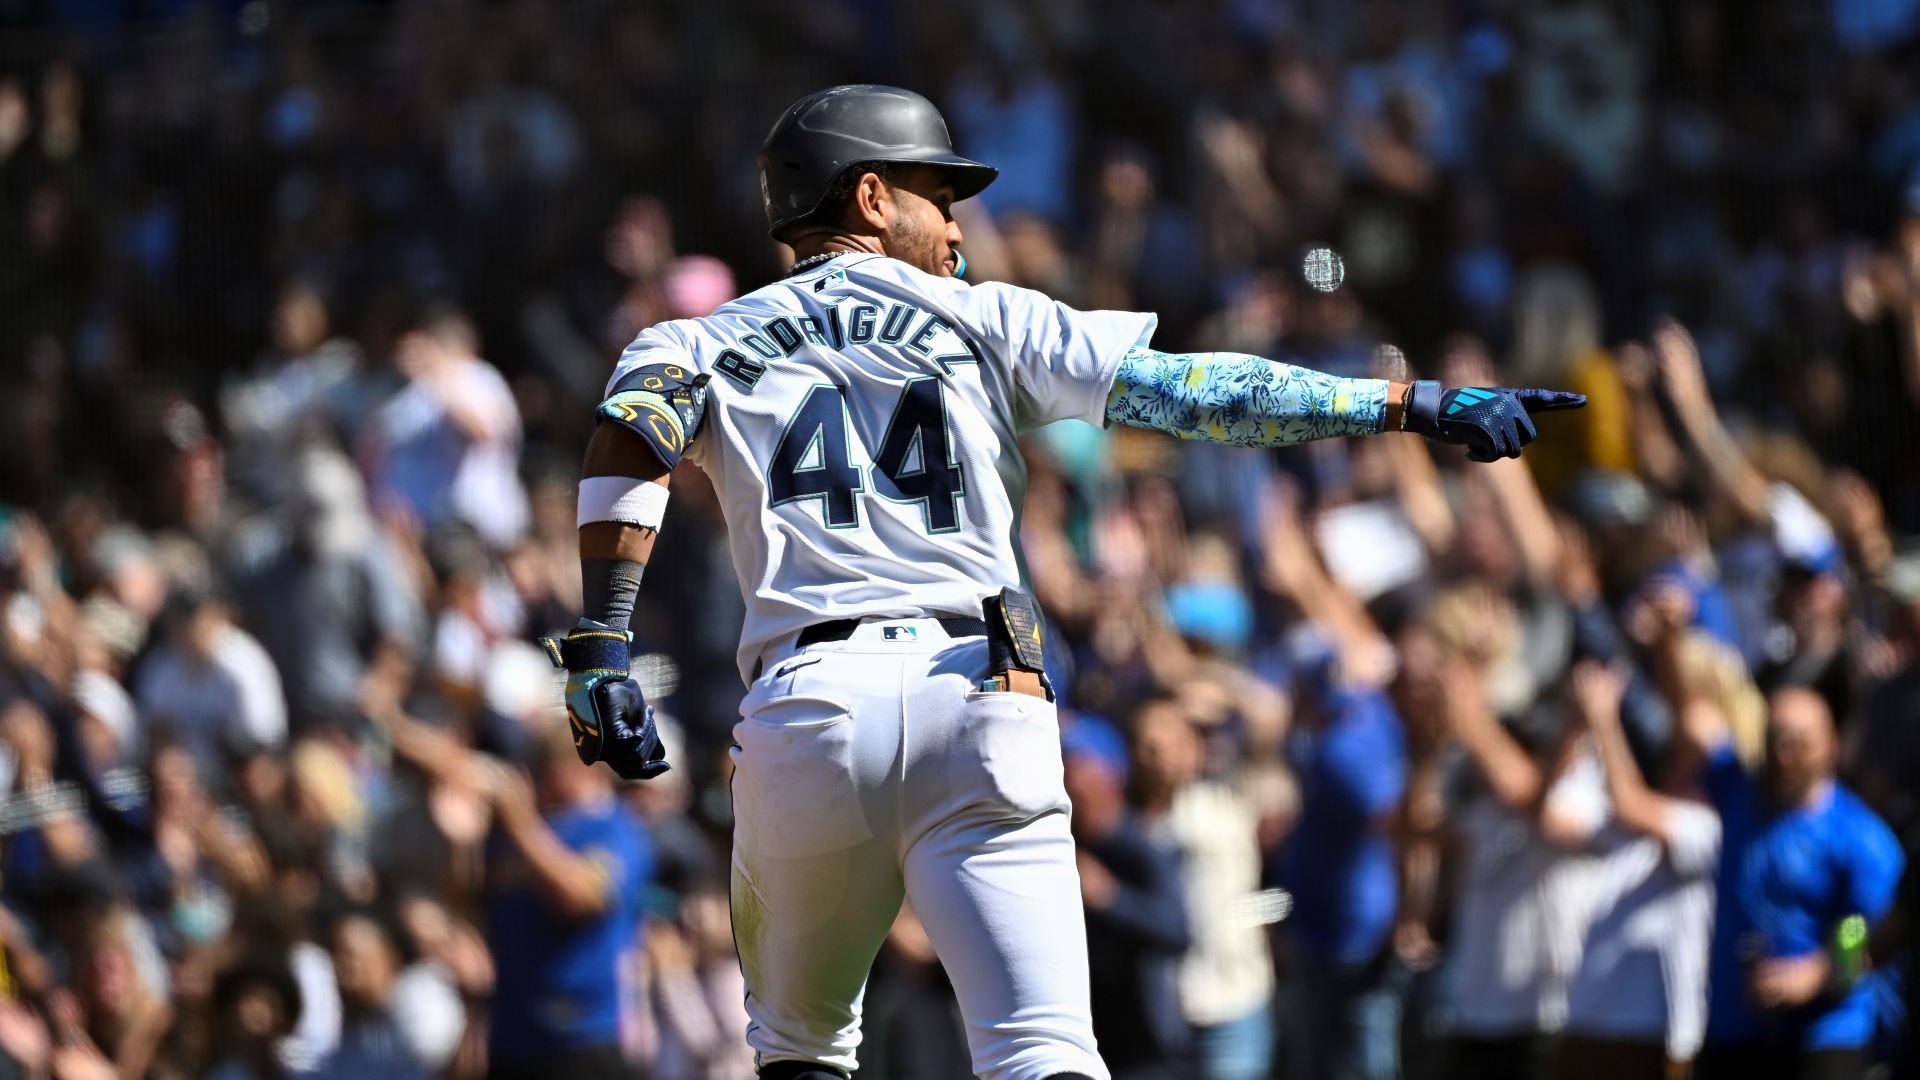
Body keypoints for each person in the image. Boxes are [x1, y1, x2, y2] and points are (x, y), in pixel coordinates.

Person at [538, 84, 1584, 1080]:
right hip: (980, 692)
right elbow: (1196, 395)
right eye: (939, 197)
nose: (955, 228)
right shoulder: (989, 317)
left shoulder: (696, 338)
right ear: (869, 195)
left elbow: (631, 443)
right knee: (1043, 1053)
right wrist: (1408, 405)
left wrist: (604, 645)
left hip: (806, 705)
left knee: (803, 1051)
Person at [1694, 687, 1905, 1080]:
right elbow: (1693, 710)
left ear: (1830, 746)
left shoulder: (1858, 835)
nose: (1784, 756)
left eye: (1799, 743)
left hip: (1824, 1036)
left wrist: (1817, 972)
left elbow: (1873, 926)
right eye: (1775, 740)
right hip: (1735, 1028)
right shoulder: (1742, 798)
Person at [482, 726, 652, 1080]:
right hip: (511, 1035)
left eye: (548, 764)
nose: (536, 775)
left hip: (580, 1037)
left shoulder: (615, 828)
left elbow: (583, 897)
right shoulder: (515, 830)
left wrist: (521, 825)